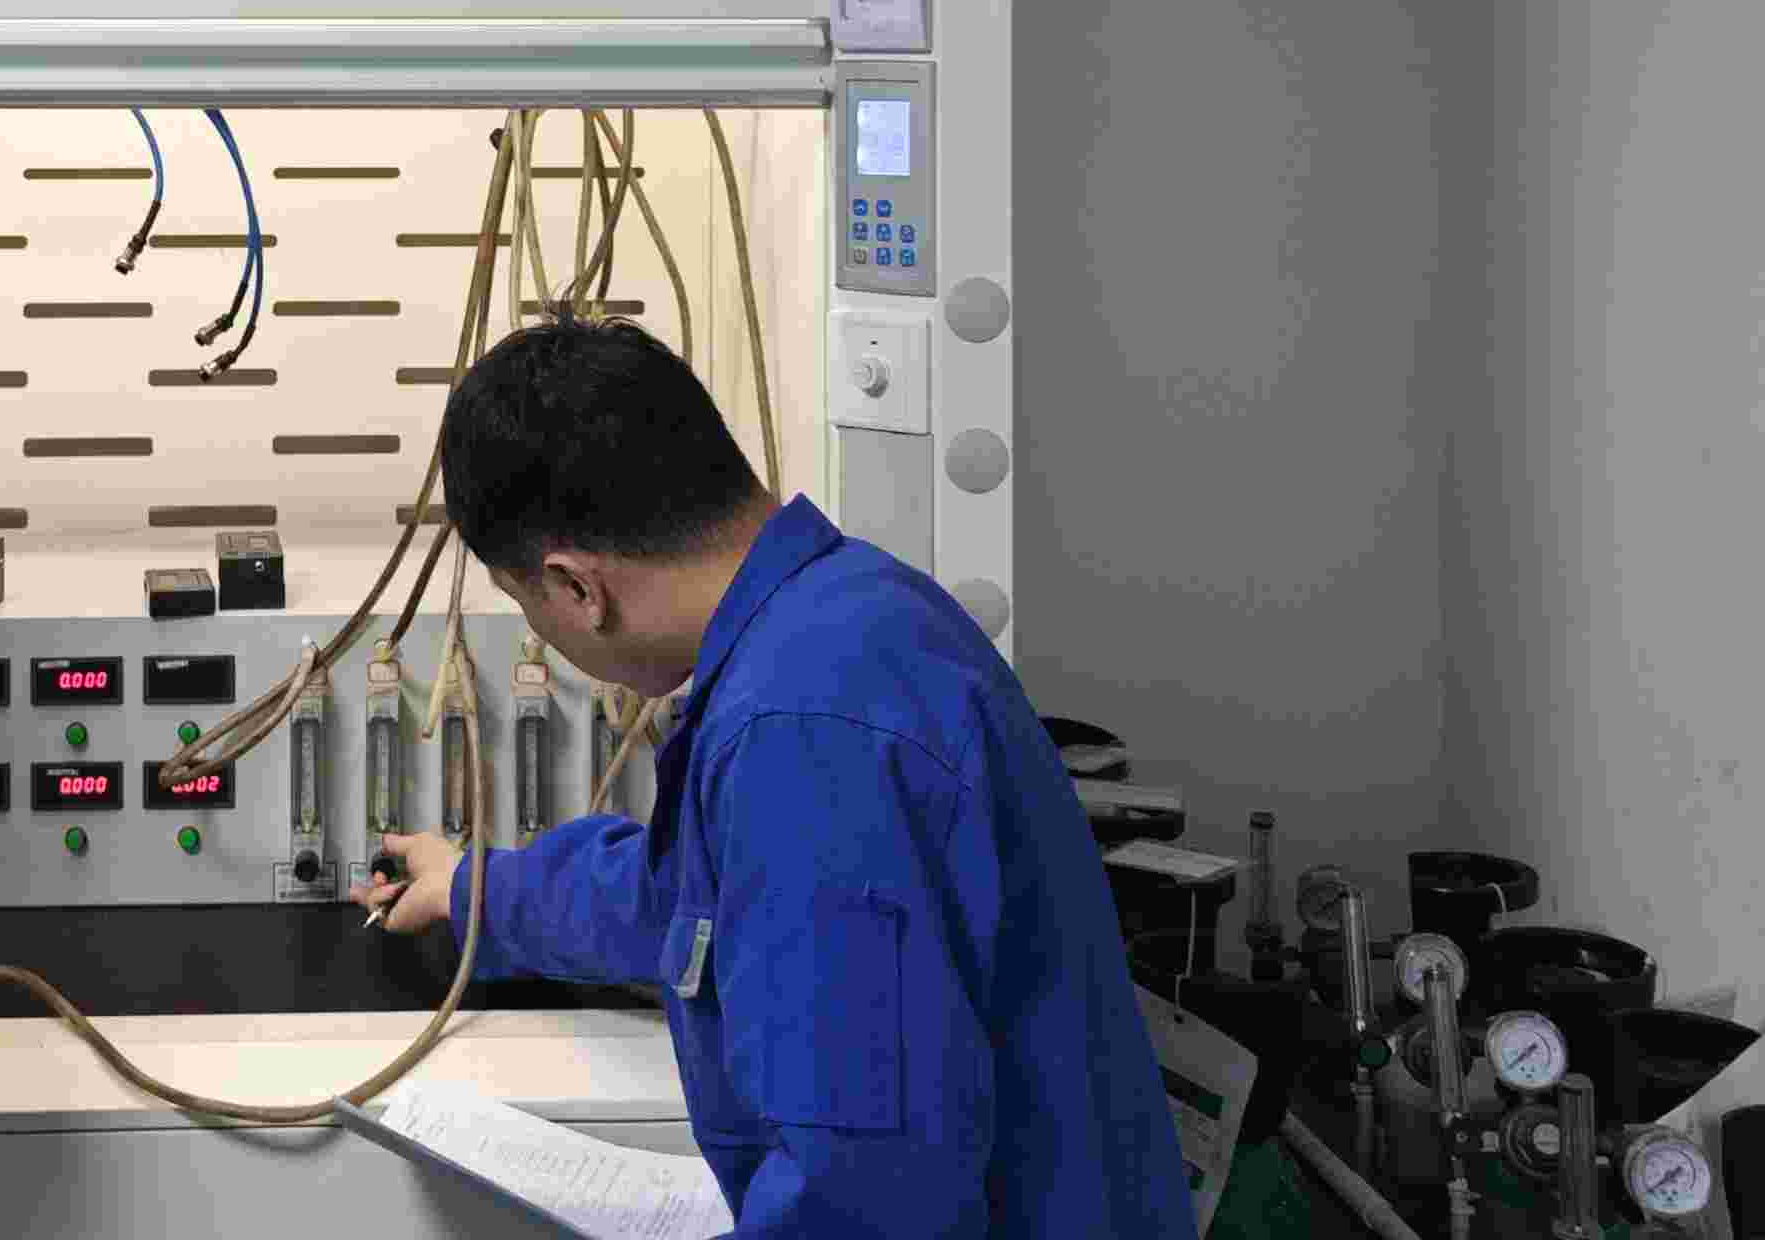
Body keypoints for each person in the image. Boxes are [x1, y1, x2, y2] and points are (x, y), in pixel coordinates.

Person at [358, 316, 1191, 1237]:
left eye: (526, 605)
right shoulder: (846, 613)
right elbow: (693, 902)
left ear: (577, 589)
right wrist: (476, 890)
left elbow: (864, 1202)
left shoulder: (800, 733)